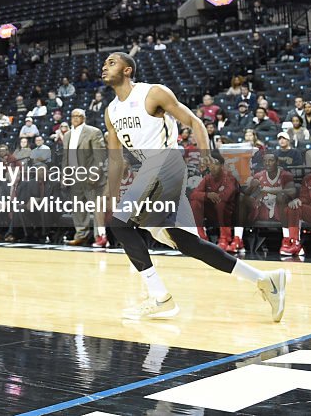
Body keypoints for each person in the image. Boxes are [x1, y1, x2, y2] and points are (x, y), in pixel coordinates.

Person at [101, 51, 287, 322]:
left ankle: (160, 298)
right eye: (105, 63)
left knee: (120, 224)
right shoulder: (111, 111)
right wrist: (112, 195)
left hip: (166, 163)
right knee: (188, 244)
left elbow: (194, 121)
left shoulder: (152, 94)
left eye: (111, 62)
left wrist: (204, 155)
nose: (105, 66)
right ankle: (266, 281)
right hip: (148, 172)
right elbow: (116, 160)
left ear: (128, 70)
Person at [62, 109, 107, 247]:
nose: (75, 118)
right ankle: (81, 235)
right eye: (73, 116)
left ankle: (99, 237)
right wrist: (65, 173)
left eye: (78, 116)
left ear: (84, 118)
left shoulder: (94, 132)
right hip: (74, 175)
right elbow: (66, 157)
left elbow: (100, 155)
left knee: (96, 208)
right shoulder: (67, 134)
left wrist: (96, 172)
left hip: (90, 175)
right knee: (78, 207)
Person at [188, 153, 242, 253]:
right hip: (213, 209)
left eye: (216, 164)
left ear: (222, 166)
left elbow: (226, 196)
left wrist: (213, 196)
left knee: (221, 204)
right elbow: (194, 194)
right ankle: (201, 237)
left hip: (230, 211)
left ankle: (224, 239)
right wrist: (207, 195)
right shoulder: (207, 178)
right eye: (211, 164)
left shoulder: (230, 177)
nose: (212, 166)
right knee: (195, 203)